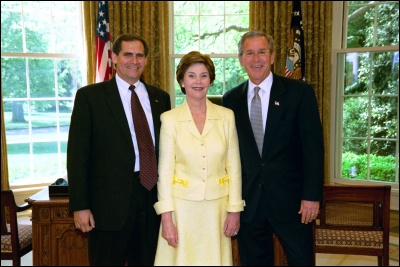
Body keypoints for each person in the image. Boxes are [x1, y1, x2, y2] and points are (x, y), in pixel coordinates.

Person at [67, 33, 171, 266]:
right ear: (113, 57)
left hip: (151, 198)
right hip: (108, 205)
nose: (134, 61)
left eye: (140, 55)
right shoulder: (90, 97)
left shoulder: (160, 98)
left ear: (146, 60)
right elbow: (77, 155)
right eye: (127, 54)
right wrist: (80, 206)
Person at [222, 30, 324, 266]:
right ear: (240, 59)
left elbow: (313, 148)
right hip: (250, 202)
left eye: (262, 52)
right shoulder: (230, 100)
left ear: (273, 56)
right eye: (249, 53)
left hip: (293, 202)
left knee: (301, 260)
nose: (256, 59)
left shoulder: (299, 93)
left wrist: (311, 196)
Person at [153, 51, 245, 266]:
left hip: (217, 209)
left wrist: (234, 211)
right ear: (182, 81)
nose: (198, 81)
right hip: (182, 209)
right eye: (191, 75)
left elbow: (234, 168)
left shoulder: (226, 117)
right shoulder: (169, 120)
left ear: (210, 80)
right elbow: (164, 173)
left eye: (203, 75)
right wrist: (167, 218)